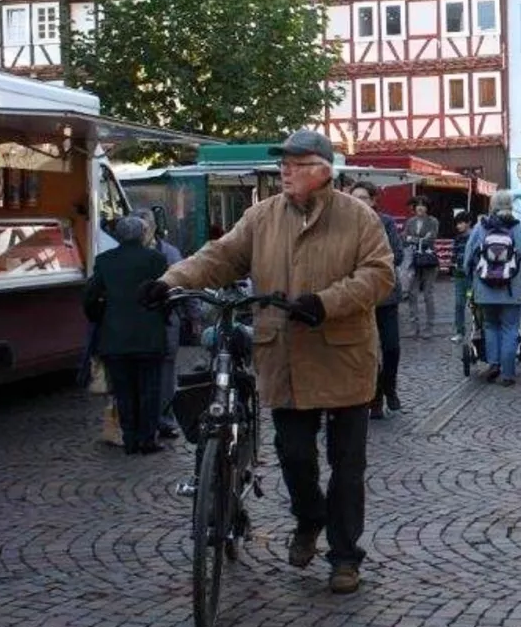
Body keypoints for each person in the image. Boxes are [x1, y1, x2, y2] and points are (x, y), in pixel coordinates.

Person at [142, 130, 394, 595]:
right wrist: (171, 280)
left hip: (344, 357)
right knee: (294, 455)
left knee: (347, 466)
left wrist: (324, 302)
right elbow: (220, 257)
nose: (286, 171)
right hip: (285, 357)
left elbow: (379, 276)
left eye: (296, 164)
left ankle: (344, 557)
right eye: (284, 164)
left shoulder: (358, 217)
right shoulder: (262, 216)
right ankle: (309, 517)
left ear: (323, 170)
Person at [84, 214, 168, 455]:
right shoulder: (156, 259)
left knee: (124, 392)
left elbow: (90, 297)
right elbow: (166, 294)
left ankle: (130, 439)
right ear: (143, 234)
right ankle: (147, 439)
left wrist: (101, 318)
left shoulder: (105, 261)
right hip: (149, 337)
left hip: (115, 338)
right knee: (149, 391)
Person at [463, 190, 521, 387]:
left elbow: (468, 257)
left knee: (490, 326)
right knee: (510, 328)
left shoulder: (481, 228)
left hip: (484, 289)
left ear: (491, 206)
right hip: (511, 290)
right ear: (511, 206)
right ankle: (508, 373)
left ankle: (493, 364)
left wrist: (470, 277)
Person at [351, 184, 404, 418]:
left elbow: (397, 254)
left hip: (385, 295)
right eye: (355, 198)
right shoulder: (343, 225)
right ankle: (373, 397)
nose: (359, 201)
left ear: (373, 201)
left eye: (363, 197)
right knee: (366, 351)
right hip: (357, 297)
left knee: (391, 347)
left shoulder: (386, 222)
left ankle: (388, 385)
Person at [139, 210, 187, 439]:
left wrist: (194, 317)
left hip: (166, 323)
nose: (143, 233)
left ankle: (164, 420)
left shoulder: (169, 253)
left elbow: (184, 283)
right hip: (141, 326)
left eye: (145, 228)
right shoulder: (134, 254)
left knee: (166, 375)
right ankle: (146, 421)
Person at [402, 198, 441, 338]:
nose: (420, 208)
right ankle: (414, 326)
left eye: (423, 205)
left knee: (427, 294)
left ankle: (429, 327)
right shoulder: (410, 222)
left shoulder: (433, 221)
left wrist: (412, 239)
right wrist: (417, 239)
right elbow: (404, 237)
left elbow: (430, 240)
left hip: (428, 261)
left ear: (427, 208)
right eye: (418, 205)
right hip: (414, 261)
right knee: (412, 294)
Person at [449, 210, 473, 343]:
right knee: (459, 304)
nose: (458, 226)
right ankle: (460, 332)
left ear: (468, 223)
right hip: (459, 275)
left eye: (461, 223)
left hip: (472, 275)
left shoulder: (474, 236)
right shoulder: (457, 238)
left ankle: (479, 329)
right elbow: (454, 255)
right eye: (457, 223)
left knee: (475, 303)